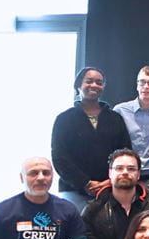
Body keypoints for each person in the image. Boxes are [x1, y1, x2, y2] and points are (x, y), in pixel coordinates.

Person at [51, 66, 132, 199]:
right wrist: (85, 183)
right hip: (73, 190)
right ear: (78, 85)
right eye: (89, 81)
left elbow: (126, 153)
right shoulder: (64, 119)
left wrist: (110, 180)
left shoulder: (115, 118)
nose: (94, 85)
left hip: (110, 189)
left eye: (99, 83)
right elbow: (60, 157)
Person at [83, 150, 149, 239]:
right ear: (110, 173)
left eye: (131, 168)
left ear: (139, 174)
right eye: (119, 168)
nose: (125, 172)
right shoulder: (92, 211)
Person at [113, 66, 149, 195]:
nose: (146, 86)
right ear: (137, 85)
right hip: (125, 177)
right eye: (142, 82)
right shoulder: (120, 111)